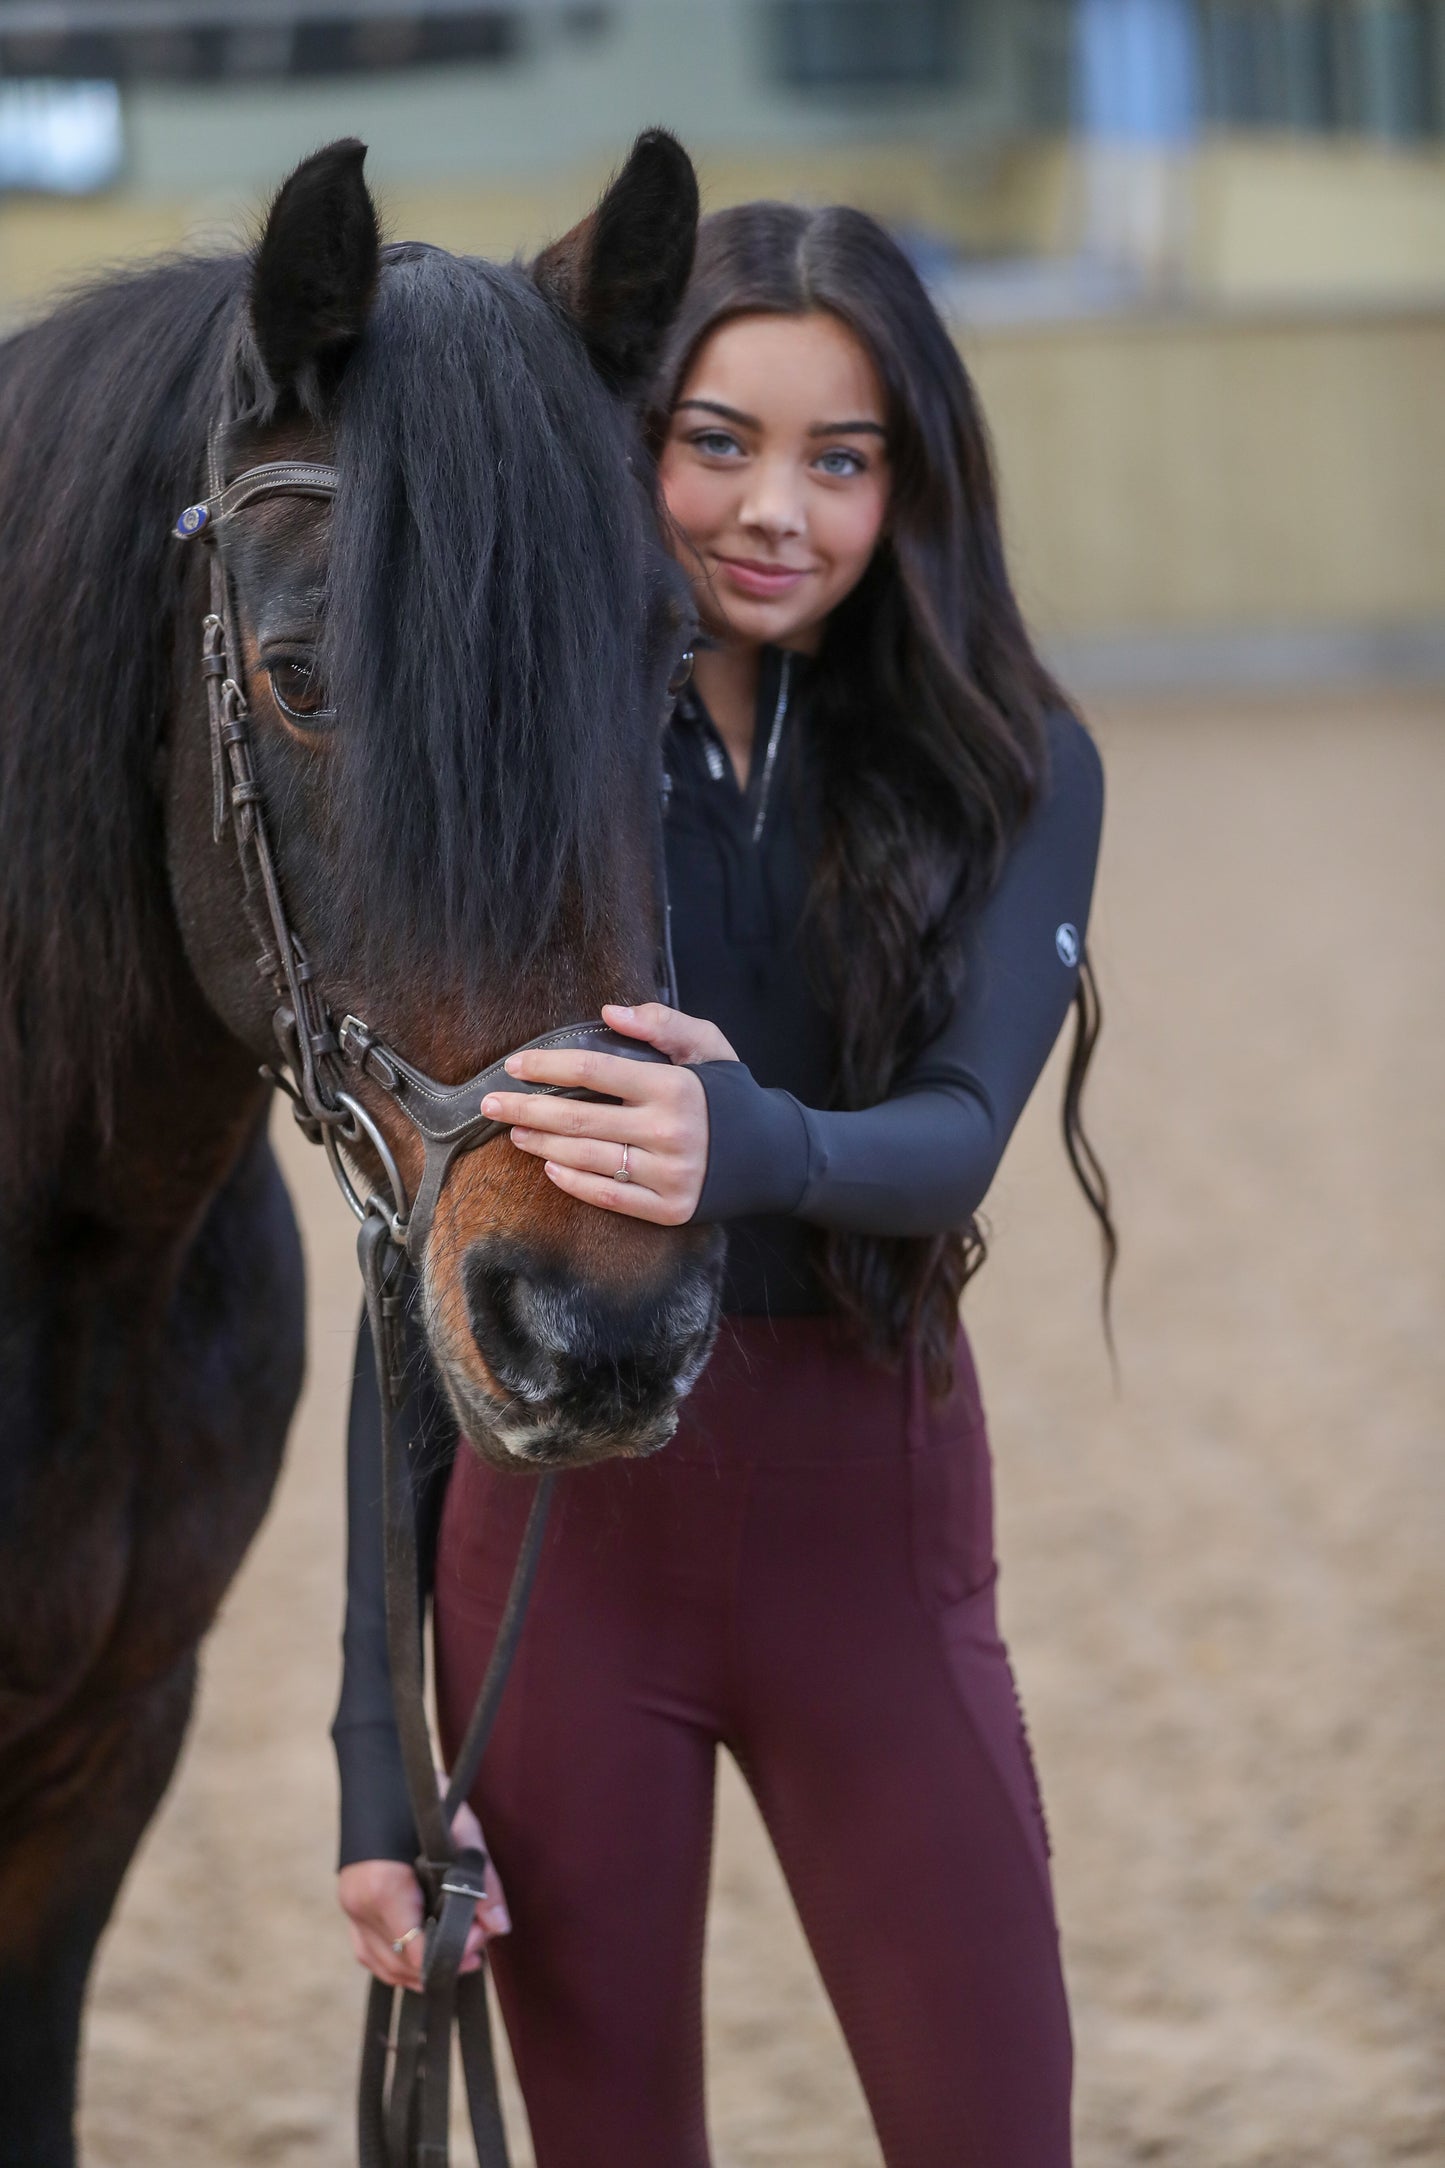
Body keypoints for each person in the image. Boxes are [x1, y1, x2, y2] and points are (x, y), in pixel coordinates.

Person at [333, 200, 1113, 2168]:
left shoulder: (1015, 758)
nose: (778, 509)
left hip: (880, 1527)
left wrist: (742, 1142)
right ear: (631, 447)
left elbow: (957, 1135)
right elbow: (409, 1273)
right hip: (560, 1563)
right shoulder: (522, 768)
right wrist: (376, 1770)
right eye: (717, 441)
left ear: (908, 481)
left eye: (840, 458)